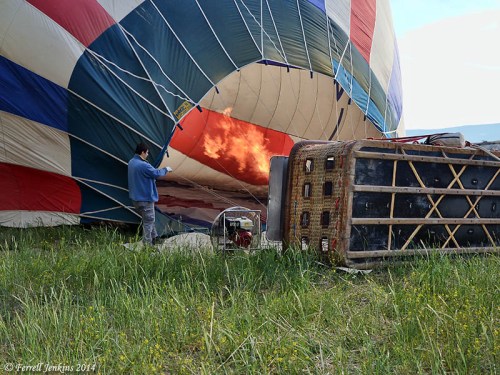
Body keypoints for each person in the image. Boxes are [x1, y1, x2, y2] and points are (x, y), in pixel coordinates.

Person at [128, 142, 172, 246]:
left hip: (135, 199)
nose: (148, 154)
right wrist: (166, 169)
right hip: (145, 199)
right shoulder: (143, 165)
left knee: (148, 219)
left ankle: (155, 238)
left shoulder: (131, 162)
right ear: (143, 152)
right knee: (148, 221)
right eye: (147, 152)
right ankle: (147, 245)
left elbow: (143, 177)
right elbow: (156, 173)